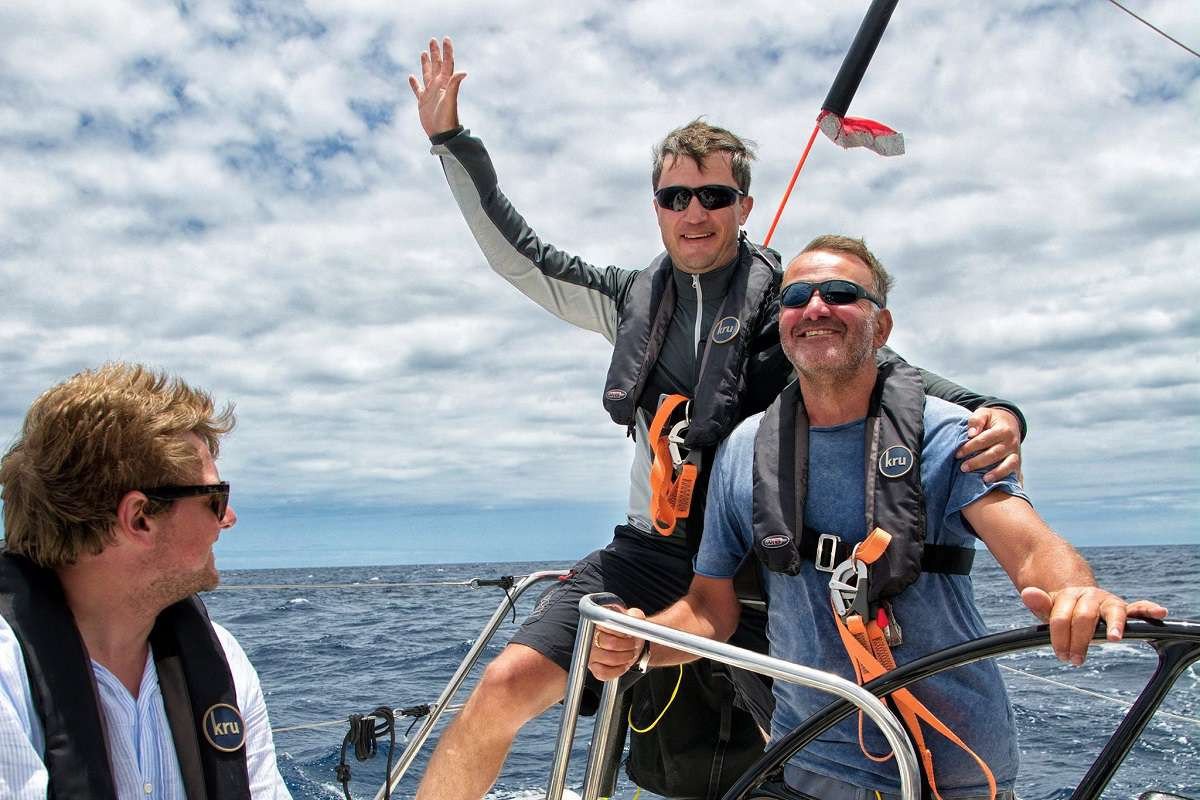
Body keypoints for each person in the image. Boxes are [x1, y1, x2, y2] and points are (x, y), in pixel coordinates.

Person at [409, 37, 1028, 800]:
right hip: (649, 553)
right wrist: (451, 140)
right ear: (657, 209)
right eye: (676, 198)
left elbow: (890, 373)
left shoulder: (792, 308)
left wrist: (993, 412)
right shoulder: (626, 300)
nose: (694, 212)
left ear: (744, 206)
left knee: (817, 756)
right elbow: (519, 255)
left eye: (713, 196)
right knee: (502, 685)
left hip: (761, 567)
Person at [588, 235, 1169, 800]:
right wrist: (642, 645)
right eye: (796, 297)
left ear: (882, 326)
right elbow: (709, 609)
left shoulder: (944, 434)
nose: (815, 308)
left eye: (840, 294)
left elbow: (1031, 547)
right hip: (805, 761)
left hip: (952, 768)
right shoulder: (744, 450)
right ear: (783, 328)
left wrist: (1076, 591)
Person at [0, 363, 292, 799]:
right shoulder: (7, 674)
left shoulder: (223, 657)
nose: (228, 519)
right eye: (215, 499)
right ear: (139, 518)